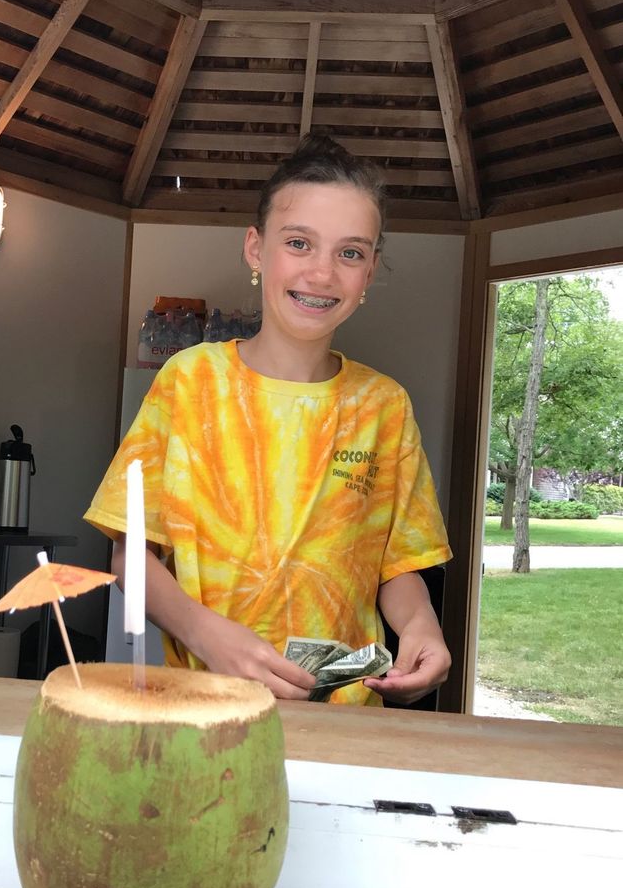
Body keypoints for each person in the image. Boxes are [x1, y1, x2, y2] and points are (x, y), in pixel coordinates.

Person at [85, 134, 452, 705]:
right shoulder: (190, 381)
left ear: (370, 271)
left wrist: (421, 625)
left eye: (350, 253)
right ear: (256, 249)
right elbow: (130, 556)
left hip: (345, 717)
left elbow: (397, 564)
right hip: (208, 707)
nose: (322, 273)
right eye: (299, 243)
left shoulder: (384, 405)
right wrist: (206, 634)